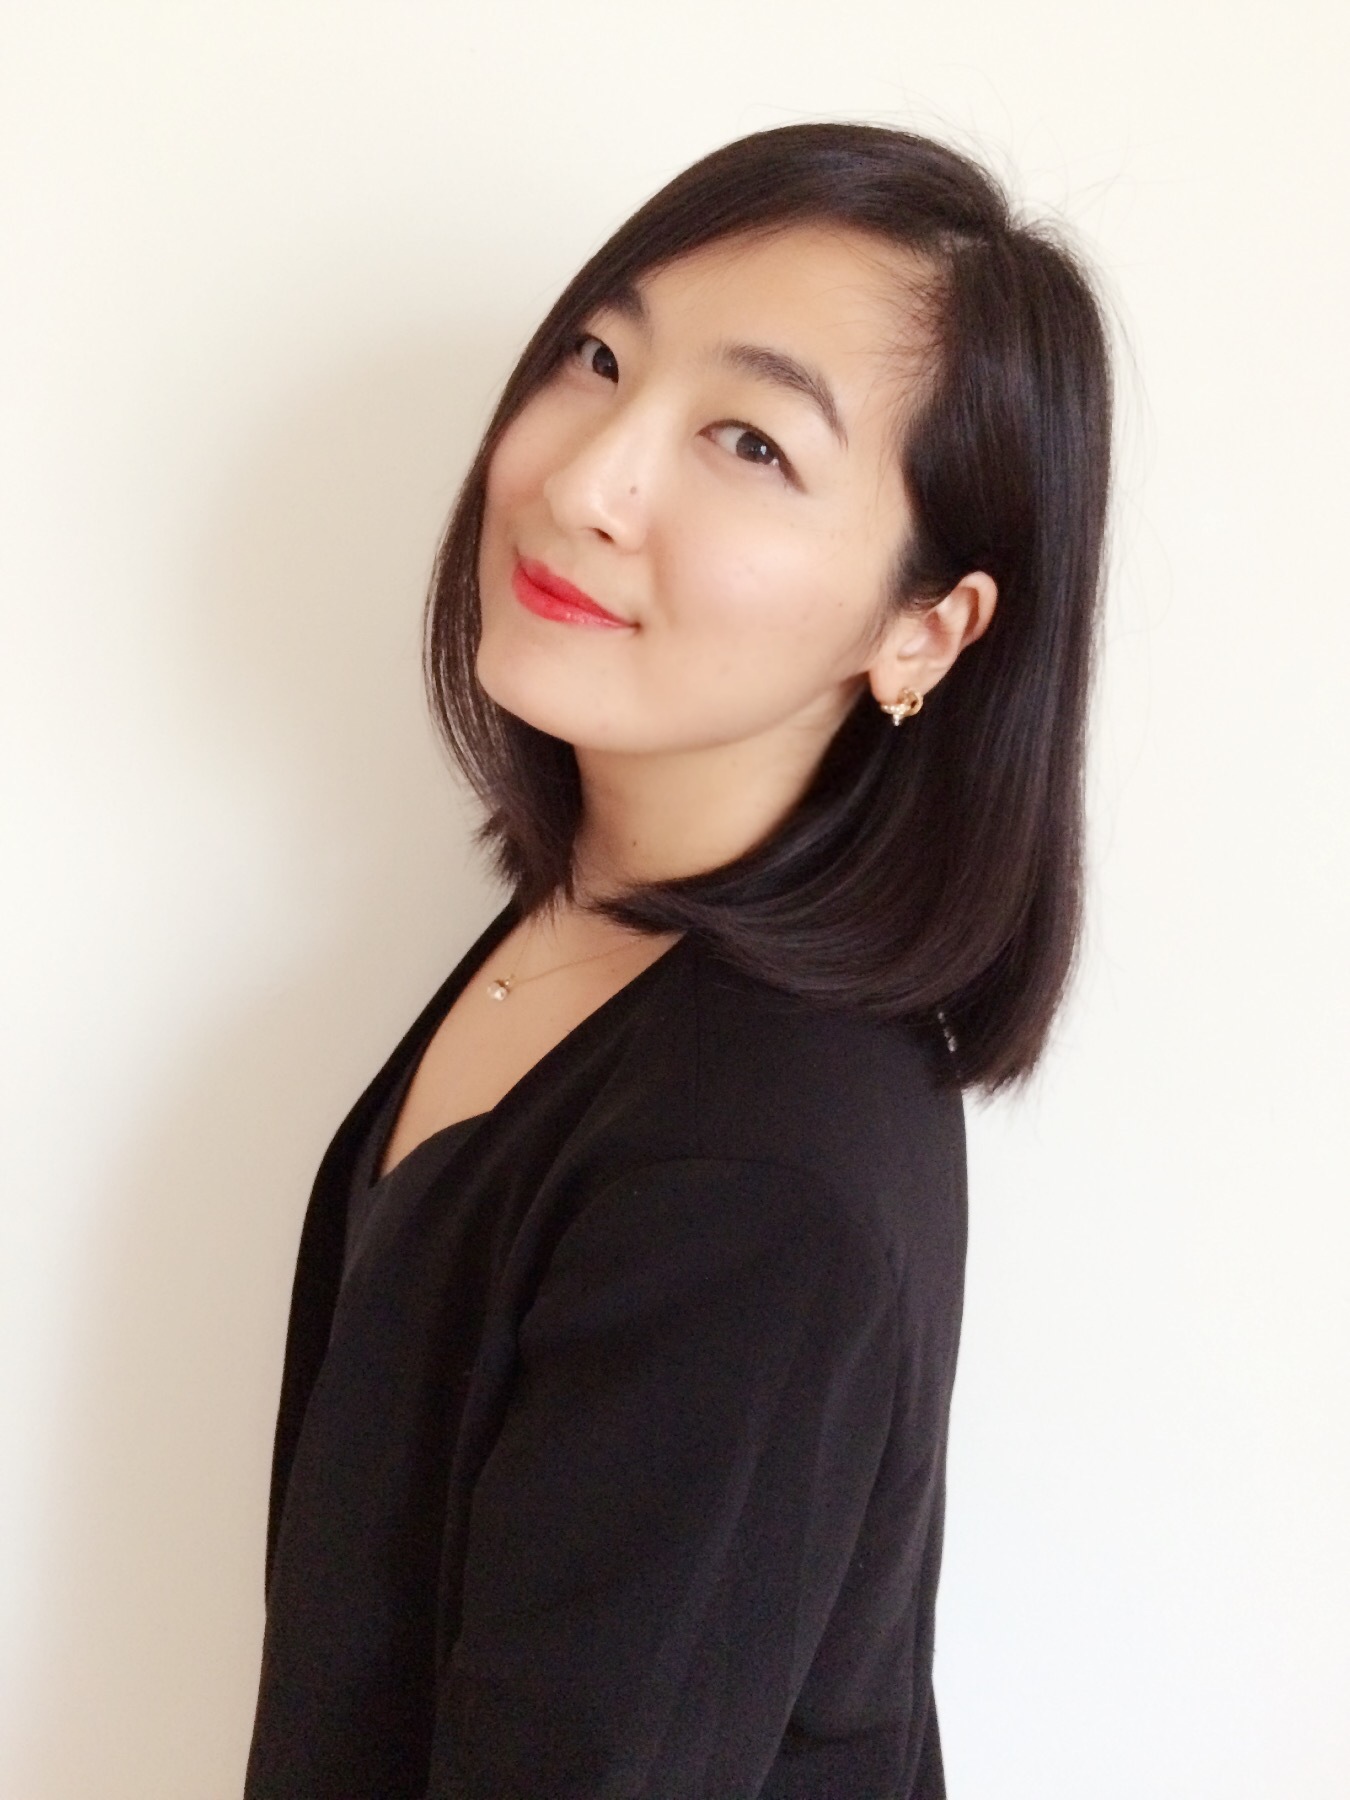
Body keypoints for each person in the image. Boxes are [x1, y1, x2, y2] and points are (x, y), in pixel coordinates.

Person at [243, 122, 1113, 1799]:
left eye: (749, 442)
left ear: (921, 627)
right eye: (596, 357)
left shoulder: (743, 1164)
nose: (584, 481)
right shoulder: (595, 928)